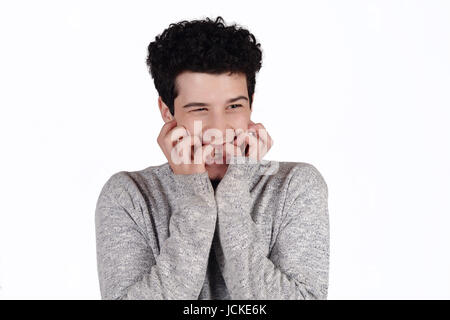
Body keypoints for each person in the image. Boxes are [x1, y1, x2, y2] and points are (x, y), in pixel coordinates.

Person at [95, 16, 329, 300]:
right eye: (199, 109)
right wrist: (196, 198)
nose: (219, 130)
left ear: (251, 103)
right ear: (167, 111)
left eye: (234, 106)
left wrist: (234, 193)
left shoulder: (295, 186)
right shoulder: (130, 196)